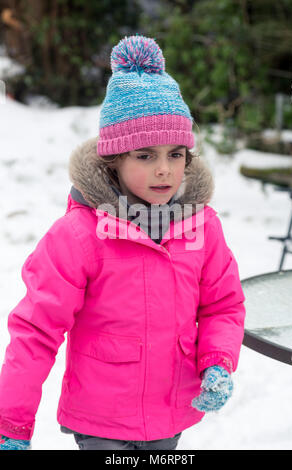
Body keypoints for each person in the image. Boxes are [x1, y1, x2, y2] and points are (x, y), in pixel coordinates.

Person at [0, 34, 245, 451]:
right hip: (101, 423)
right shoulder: (78, 236)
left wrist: (218, 360)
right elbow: (36, 331)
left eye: (175, 154)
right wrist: (11, 424)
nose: (164, 170)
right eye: (145, 155)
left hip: (172, 414)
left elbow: (222, 304)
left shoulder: (201, 228)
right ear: (115, 159)